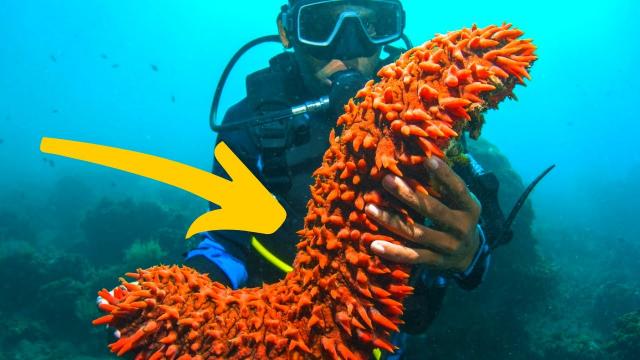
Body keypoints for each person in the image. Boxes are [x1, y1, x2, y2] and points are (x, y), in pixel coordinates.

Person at [185, 0, 508, 357]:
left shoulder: (429, 116)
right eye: (323, 25)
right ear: (287, 31)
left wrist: (470, 254)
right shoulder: (249, 126)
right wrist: (195, 293)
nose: (348, 48)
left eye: (370, 26)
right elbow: (224, 242)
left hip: (383, 340)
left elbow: (472, 251)